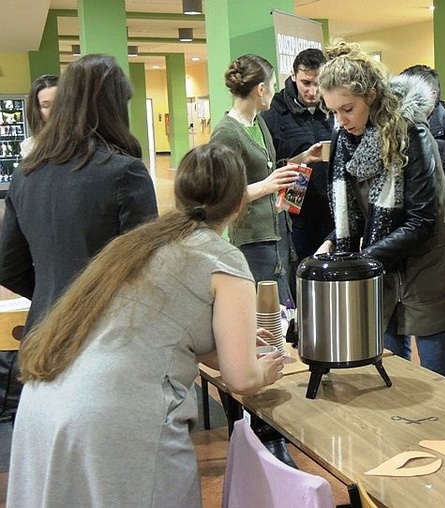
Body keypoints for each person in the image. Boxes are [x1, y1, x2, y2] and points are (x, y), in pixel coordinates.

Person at [6, 143, 285, 507]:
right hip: (112, 418)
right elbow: (242, 379)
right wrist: (266, 369)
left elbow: (149, 333)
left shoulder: (137, 243)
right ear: (239, 204)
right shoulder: (225, 259)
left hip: (47, 401)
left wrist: (219, 351)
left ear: (180, 194)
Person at [316, 41, 445, 380]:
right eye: (333, 112)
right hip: (384, 271)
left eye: (347, 109)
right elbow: (356, 212)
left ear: (371, 95)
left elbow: (422, 220)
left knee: (442, 378)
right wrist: (333, 241)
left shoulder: (411, 133)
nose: (340, 121)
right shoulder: (345, 141)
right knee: (389, 371)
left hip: (429, 272)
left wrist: (363, 259)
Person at [0, 53, 158, 331]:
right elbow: (145, 268)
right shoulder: (125, 172)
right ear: (114, 106)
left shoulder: (24, 174)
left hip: (43, 329)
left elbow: (8, 266)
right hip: (104, 332)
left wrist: (55, 297)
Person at [210, 54, 321, 305]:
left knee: (284, 311)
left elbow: (269, 170)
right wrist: (266, 187)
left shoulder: (259, 123)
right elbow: (220, 195)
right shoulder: (226, 133)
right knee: (268, 314)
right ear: (261, 89)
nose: (275, 91)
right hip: (254, 239)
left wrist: (301, 158)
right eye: (272, 85)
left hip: (280, 232)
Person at [399, 64, 445, 385]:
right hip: (404, 262)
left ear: (430, 95)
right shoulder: (396, 134)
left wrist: (436, 233)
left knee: (444, 362)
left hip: (436, 253)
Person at [262, 48, 335, 261]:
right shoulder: (273, 112)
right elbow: (267, 166)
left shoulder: (334, 107)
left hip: (333, 210)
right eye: (306, 83)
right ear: (293, 76)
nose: (313, 91)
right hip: (295, 213)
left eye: (318, 83)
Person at [20, 74, 58, 158]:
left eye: (59, 103)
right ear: (36, 110)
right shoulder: (30, 146)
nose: (54, 110)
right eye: (45, 106)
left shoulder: (85, 141)